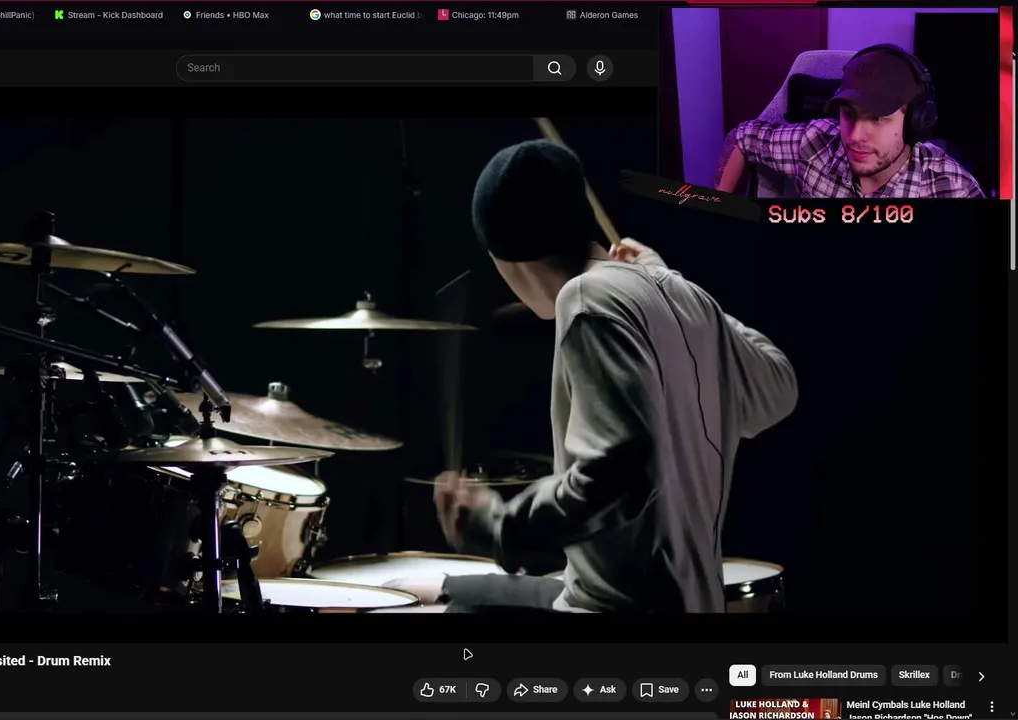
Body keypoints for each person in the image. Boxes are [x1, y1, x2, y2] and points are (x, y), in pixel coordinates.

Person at [387, 140, 798, 612]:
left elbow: (619, 474)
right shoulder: (681, 295)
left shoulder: (586, 297)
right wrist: (671, 285)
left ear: (506, 259)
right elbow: (780, 386)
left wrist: (500, 524)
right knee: (455, 590)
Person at [715, 44, 983, 198]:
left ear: (915, 122)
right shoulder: (815, 144)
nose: (854, 136)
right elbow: (744, 136)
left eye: (878, 118)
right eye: (850, 114)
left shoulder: (951, 188)